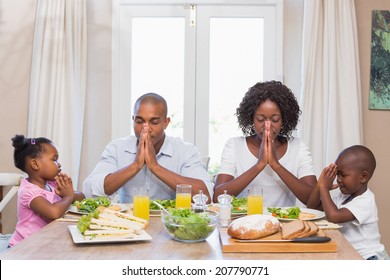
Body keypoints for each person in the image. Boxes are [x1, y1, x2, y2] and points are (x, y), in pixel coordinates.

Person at [83, 92, 213, 203]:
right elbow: (89, 190)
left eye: (154, 122)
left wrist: (155, 167)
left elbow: (205, 196)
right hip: (128, 222)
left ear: (166, 122)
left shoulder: (185, 151)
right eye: (139, 121)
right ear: (133, 120)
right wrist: (135, 166)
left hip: (170, 223)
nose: (146, 128)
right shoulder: (117, 148)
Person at [213, 81, 316, 206]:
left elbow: (313, 200)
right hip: (244, 222)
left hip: (283, 223)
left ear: (284, 119)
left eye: (275, 119)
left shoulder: (298, 147)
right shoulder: (234, 146)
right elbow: (218, 197)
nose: (267, 125)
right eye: (260, 119)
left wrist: (276, 165)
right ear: (251, 117)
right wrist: (260, 164)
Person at [307, 145, 387, 260]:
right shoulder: (343, 195)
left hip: (368, 258)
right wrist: (320, 185)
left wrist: (324, 188)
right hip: (350, 254)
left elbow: (334, 216)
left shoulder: (366, 201)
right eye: (337, 174)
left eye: (343, 175)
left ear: (363, 177)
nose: (338, 179)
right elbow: (312, 207)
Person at [8, 135, 85, 247]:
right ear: (35, 164)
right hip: (24, 248)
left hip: (45, 243)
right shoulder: (28, 191)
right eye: (54, 159)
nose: (59, 164)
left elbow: (82, 197)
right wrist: (68, 197)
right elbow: (53, 213)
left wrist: (69, 192)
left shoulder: (52, 184)